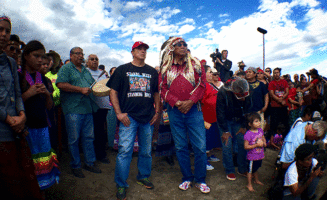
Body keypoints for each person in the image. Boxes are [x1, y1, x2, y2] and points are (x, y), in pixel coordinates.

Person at [107, 41, 159, 200]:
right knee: (125, 151)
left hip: (147, 117)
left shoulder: (152, 72)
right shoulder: (122, 69)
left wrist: (157, 111)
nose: (143, 51)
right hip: (128, 117)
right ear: (132, 52)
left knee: (146, 151)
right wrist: (119, 113)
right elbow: (113, 92)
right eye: (140, 49)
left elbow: (156, 92)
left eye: (145, 49)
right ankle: (121, 184)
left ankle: (143, 176)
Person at [159, 37, 210, 193]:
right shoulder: (165, 67)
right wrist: (177, 102)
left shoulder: (195, 64)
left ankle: (200, 180)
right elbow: (162, 88)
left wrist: (191, 101)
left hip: (194, 110)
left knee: (200, 147)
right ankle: (187, 177)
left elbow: (202, 84)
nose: (183, 46)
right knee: (181, 147)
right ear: (171, 48)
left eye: (184, 44)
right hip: (175, 111)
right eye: (178, 44)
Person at [0, 15, 43, 200]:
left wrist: (22, 114)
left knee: (19, 179)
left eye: (7, 31)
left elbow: (17, 93)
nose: (3, 34)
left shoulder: (9, 62)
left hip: (16, 128)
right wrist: (9, 119)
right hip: (3, 127)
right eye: (0, 29)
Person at [18, 40, 60, 194]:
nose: (40, 60)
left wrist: (47, 95)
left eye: (42, 57)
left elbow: (49, 107)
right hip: (26, 129)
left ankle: (43, 190)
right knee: (28, 163)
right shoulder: (18, 75)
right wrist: (28, 94)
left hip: (42, 127)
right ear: (26, 55)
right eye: (36, 56)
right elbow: (12, 105)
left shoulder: (43, 78)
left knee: (42, 161)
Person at [56, 47, 101, 178]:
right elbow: (60, 84)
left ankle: (90, 163)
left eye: (82, 54)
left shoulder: (86, 71)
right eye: (78, 54)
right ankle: (75, 165)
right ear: (71, 55)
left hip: (87, 108)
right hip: (73, 109)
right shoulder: (66, 68)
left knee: (88, 137)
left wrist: (100, 87)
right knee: (74, 139)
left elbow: (93, 85)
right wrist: (80, 90)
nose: (81, 56)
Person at [216, 76, 252, 180]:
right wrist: (225, 130)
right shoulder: (223, 92)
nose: (244, 98)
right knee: (227, 144)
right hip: (226, 121)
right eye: (241, 96)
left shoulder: (247, 88)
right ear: (234, 91)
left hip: (239, 121)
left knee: (242, 143)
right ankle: (229, 170)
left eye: (245, 95)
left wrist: (244, 126)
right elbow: (220, 112)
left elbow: (248, 110)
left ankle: (242, 168)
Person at [86, 54, 110, 163]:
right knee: (91, 132)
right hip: (90, 107)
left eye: (96, 59)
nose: (94, 61)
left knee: (100, 131)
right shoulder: (85, 73)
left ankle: (101, 154)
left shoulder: (103, 73)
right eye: (92, 59)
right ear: (87, 62)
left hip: (103, 107)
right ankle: (91, 155)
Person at [201, 66, 222, 171]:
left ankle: (209, 156)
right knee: (206, 141)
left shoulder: (210, 85)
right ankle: (204, 161)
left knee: (212, 140)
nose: (212, 74)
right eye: (210, 72)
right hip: (206, 119)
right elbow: (200, 103)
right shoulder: (202, 86)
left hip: (214, 118)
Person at [244, 112, 266, 192]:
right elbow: (246, 146)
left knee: (255, 169)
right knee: (250, 171)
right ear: (250, 124)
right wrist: (256, 145)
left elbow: (263, 137)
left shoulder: (260, 130)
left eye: (259, 121)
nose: (259, 122)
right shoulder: (248, 134)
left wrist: (264, 143)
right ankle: (249, 184)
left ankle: (256, 180)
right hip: (252, 157)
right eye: (256, 121)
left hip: (259, 155)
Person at [268, 67, 289, 137]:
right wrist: (279, 100)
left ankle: (284, 138)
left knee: (285, 123)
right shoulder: (271, 83)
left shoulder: (284, 82)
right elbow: (271, 94)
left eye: (277, 72)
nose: (276, 74)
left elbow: (287, 92)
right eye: (274, 73)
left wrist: (282, 98)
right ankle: (272, 140)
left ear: (279, 73)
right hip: (275, 106)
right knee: (273, 124)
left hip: (283, 106)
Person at [107, 66, 117, 148]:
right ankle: (111, 145)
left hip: (120, 106)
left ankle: (117, 145)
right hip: (110, 106)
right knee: (111, 126)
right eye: (113, 71)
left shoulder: (121, 81)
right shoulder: (107, 82)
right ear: (110, 73)